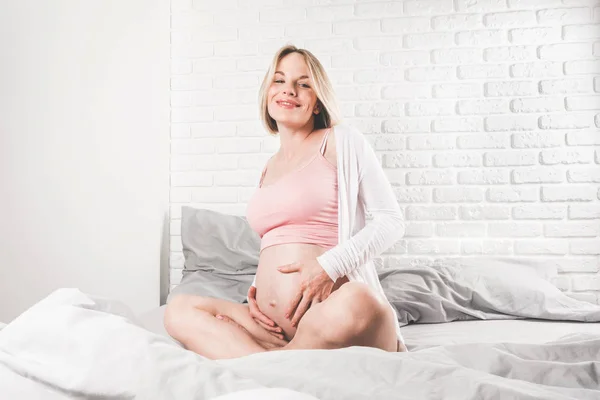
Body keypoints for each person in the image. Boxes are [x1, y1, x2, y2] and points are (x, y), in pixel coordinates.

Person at [164, 44, 407, 360]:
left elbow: (391, 221)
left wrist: (328, 268)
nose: (289, 90)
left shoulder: (341, 141)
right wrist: (257, 292)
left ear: (317, 102)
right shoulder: (268, 166)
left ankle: (257, 361)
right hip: (275, 330)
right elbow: (276, 241)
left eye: (303, 83)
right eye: (279, 81)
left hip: (334, 316)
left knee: (363, 300)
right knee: (179, 309)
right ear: (268, 94)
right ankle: (279, 360)